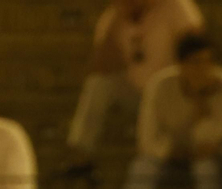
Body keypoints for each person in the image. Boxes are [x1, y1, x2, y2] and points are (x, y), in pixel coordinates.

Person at [109, 35, 222, 189]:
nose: (204, 69)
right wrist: (176, 143)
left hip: (209, 157)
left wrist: (201, 101)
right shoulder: (160, 86)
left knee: (206, 169)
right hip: (166, 158)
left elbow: (211, 140)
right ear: (181, 65)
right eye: (196, 62)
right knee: (141, 170)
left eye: (209, 62)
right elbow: (147, 139)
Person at [66, 0, 204, 166]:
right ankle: (80, 153)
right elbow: (99, 66)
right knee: (98, 83)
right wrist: (117, 21)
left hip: (171, 95)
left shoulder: (176, 5)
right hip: (136, 94)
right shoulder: (114, 15)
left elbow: (197, 49)